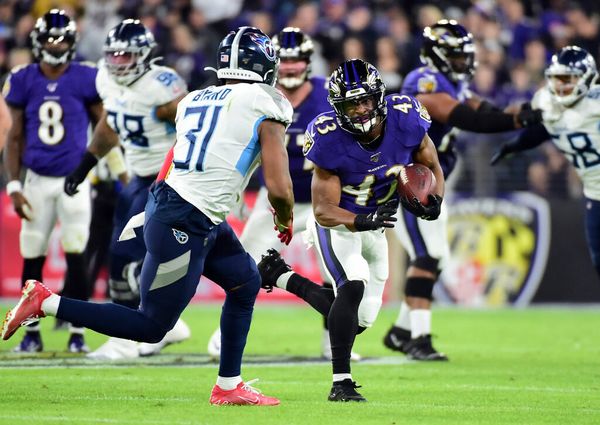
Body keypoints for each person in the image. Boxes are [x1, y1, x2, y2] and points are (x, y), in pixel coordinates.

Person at [2, 26, 294, 406]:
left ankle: (228, 386)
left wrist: (155, 204)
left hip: (181, 205)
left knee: (245, 282)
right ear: (265, 65)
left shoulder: (195, 98)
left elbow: (173, 155)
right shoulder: (267, 100)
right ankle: (46, 302)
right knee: (152, 326)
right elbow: (279, 187)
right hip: (186, 218)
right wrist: (284, 217)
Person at [258, 59, 445, 402]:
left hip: (376, 225)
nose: (360, 110)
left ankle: (281, 276)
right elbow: (323, 210)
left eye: (365, 101)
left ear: (379, 98)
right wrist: (361, 221)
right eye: (351, 103)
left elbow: (431, 163)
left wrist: (434, 199)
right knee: (352, 284)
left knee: (360, 320)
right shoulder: (328, 137)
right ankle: (341, 383)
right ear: (337, 107)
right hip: (341, 223)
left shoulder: (406, 118)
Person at [382, 20, 543, 361]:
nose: (464, 60)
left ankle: (400, 331)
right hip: (411, 185)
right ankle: (418, 339)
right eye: (456, 54)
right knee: (426, 256)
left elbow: (485, 110)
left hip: (433, 183)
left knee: (435, 256)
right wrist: (517, 121)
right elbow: (472, 120)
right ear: (437, 55)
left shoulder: (454, 82)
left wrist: (525, 113)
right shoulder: (423, 81)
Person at [206, 27, 361, 361]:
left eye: (297, 60)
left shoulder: (328, 96)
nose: (290, 67)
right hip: (274, 198)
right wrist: (238, 189)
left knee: (334, 272)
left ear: (307, 62)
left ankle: (332, 342)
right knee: (244, 265)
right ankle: (224, 335)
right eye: (285, 60)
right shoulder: (256, 96)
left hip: (324, 200)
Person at [63, 19, 191, 360]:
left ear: (144, 55)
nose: (117, 62)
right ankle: (167, 325)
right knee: (130, 254)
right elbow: (112, 123)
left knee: (123, 256)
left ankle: (125, 340)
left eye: (125, 55)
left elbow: (193, 133)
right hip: (136, 177)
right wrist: (85, 164)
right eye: (113, 55)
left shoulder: (162, 86)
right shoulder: (106, 80)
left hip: (164, 180)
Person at [2, 9, 103, 353]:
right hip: (37, 179)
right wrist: (13, 184)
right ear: (38, 41)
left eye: (62, 39)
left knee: (77, 253)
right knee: (32, 255)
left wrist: (98, 170)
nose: (56, 46)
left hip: (73, 179)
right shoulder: (23, 78)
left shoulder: (86, 78)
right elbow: (14, 136)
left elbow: (104, 129)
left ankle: (77, 332)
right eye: (50, 39)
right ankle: (30, 334)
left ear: (73, 42)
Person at [491, 45, 600, 277]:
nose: (560, 85)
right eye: (556, 79)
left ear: (587, 79)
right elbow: (541, 130)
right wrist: (513, 146)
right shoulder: (546, 101)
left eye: (567, 79)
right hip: (594, 193)